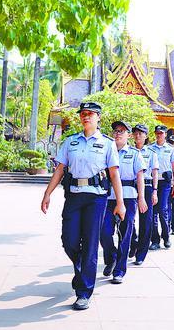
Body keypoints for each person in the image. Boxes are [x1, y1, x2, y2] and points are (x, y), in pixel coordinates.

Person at [40, 102, 125, 311]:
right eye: (83, 114)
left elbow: (114, 174)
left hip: (96, 199)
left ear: (98, 118)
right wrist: (47, 193)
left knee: (89, 243)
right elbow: (60, 169)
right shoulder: (70, 142)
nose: (86, 117)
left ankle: (84, 291)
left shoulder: (107, 144)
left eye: (90, 114)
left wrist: (120, 203)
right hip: (74, 196)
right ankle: (81, 269)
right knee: (68, 240)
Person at [100, 121, 146, 284]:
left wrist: (142, 198)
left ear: (128, 135)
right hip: (108, 196)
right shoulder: (106, 151)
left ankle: (119, 270)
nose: (118, 133)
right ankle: (111, 257)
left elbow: (139, 177)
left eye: (122, 131)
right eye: (116, 131)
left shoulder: (134, 153)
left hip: (128, 197)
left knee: (125, 234)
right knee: (104, 232)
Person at [129, 124, 159, 265]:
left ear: (146, 136)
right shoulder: (128, 151)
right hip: (130, 186)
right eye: (135, 133)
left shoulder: (151, 153)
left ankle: (141, 254)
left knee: (146, 221)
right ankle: (133, 242)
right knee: (128, 219)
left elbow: (154, 173)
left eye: (141, 133)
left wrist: (154, 191)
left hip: (146, 187)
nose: (138, 135)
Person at [148, 125, 174, 250]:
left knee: (162, 210)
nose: (159, 135)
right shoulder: (150, 149)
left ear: (165, 134)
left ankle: (166, 237)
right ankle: (155, 240)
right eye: (157, 133)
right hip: (152, 182)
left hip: (165, 183)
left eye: (161, 133)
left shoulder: (170, 149)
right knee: (153, 211)